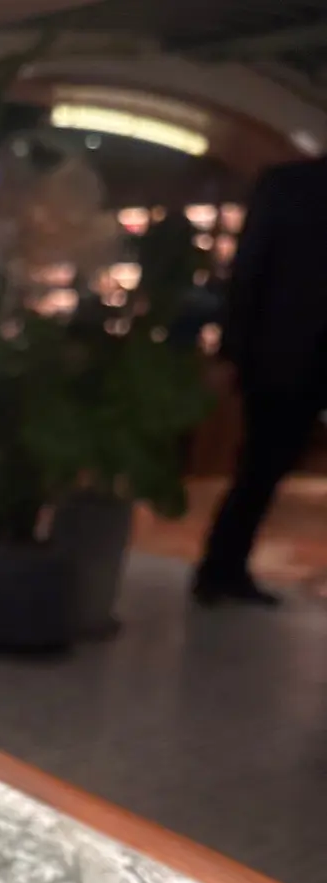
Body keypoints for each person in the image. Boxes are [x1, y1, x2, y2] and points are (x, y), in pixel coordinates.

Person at [195, 156, 327, 606]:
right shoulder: (287, 184)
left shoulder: (286, 184)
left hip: (282, 352)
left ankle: (222, 568)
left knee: (263, 466)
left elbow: (250, 266)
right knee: (263, 465)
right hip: (283, 355)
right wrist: (233, 349)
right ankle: (221, 567)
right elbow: (250, 269)